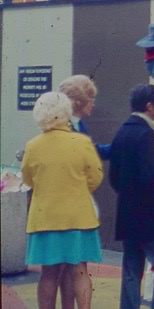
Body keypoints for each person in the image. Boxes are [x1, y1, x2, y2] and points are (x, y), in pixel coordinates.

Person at [21, 91, 104, 309]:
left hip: (45, 218)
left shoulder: (33, 146)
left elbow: (28, 179)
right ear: (66, 113)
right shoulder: (82, 142)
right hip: (79, 217)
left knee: (48, 274)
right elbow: (96, 176)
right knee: (79, 271)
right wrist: (77, 190)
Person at [109, 84, 154, 309]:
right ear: (149, 106)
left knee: (131, 268)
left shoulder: (123, 131)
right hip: (151, 217)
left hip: (128, 214)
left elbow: (114, 176)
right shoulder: (146, 135)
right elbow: (152, 178)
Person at [59, 75, 111, 160]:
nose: (93, 104)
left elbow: (93, 151)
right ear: (79, 101)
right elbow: (92, 152)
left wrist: (120, 146)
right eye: (91, 99)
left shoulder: (79, 123)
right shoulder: (62, 126)